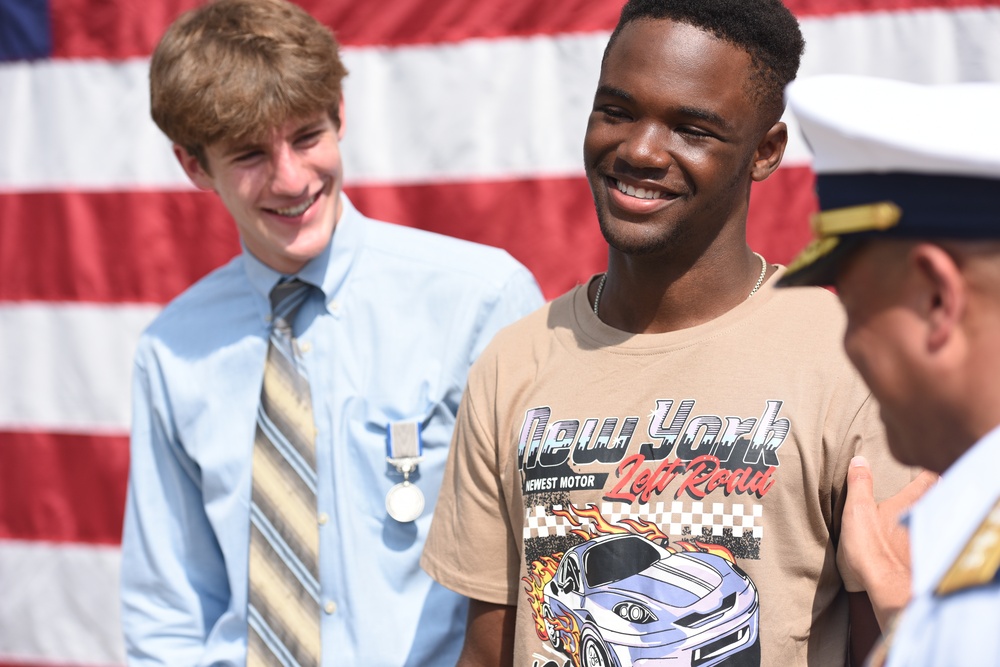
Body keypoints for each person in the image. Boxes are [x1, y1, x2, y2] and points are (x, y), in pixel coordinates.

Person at [421, 1, 917, 666]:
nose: (641, 150)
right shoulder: (514, 361)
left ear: (765, 151)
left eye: (692, 128)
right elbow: (487, 652)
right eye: (617, 110)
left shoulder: (848, 356)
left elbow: (890, 642)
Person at [118, 0, 544, 665]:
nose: (292, 179)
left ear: (340, 115)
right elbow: (168, 608)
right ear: (194, 167)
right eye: (250, 153)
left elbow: (545, 557)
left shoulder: (481, 299)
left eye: (307, 136)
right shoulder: (171, 351)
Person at [777, 74, 1000, 666]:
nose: (846, 345)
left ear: (936, 300)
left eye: (855, 309)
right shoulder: (966, 552)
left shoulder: (982, 599)